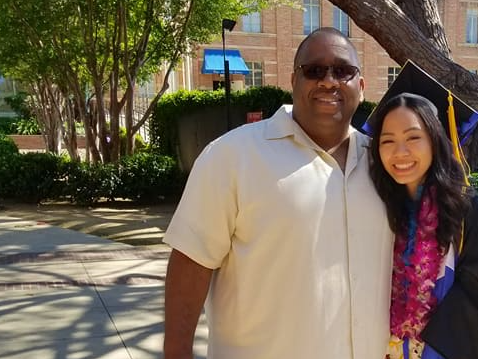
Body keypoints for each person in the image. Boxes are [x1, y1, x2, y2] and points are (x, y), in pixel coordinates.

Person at [163, 27, 394, 359]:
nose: (328, 81)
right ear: (293, 80)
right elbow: (191, 261)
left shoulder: (384, 164)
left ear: (361, 85)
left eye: (343, 70)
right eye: (314, 70)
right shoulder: (233, 156)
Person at [366, 61, 478, 359]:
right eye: (388, 141)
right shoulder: (377, 206)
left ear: (435, 140)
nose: (400, 152)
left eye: (413, 138)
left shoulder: (470, 212)